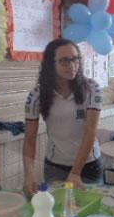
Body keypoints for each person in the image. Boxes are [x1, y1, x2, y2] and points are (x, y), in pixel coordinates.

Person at [23, 38, 103, 194]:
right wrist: (29, 174)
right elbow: (30, 139)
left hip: (88, 165)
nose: (72, 66)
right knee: (59, 213)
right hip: (55, 166)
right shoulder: (36, 95)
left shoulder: (92, 89)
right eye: (64, 61)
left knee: (89, 210)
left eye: (75, 59)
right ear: (51, 64)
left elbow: (90, 132)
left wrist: (75, 172)